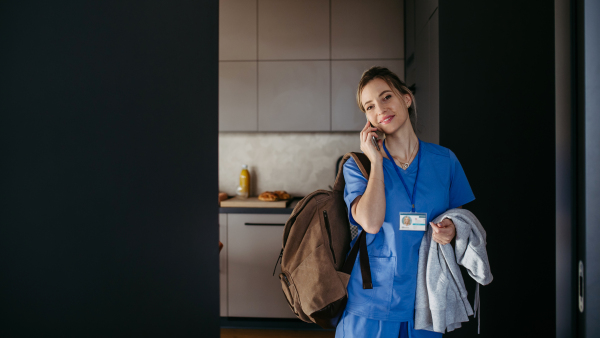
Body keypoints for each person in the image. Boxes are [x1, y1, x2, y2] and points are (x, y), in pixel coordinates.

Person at [336, 67, 475, 338]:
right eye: (370, 106)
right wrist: (376, 161)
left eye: (387, 97)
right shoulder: (359, 166)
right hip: (371, 305)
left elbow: (463, 221)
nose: (380, 109)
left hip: (426, 304)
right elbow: (371, 223)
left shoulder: (445, 161)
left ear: (406, 98)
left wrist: (452, 230)